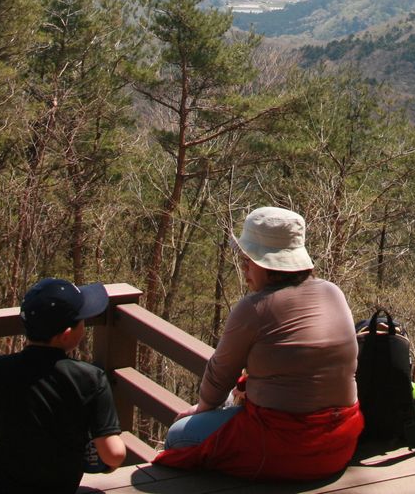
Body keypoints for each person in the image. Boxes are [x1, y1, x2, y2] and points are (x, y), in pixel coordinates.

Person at [154, 206, 363, 481]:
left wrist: (202, 408)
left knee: (179, 436)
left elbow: (221, 373)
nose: (244, 269)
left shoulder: (254, 307)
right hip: (338, 443)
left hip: (285, 449)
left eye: (247, 260)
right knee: (232, 402)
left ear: (266, 264)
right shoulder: (332, 292)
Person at [0, 278, 126, 494]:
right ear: (67, 335)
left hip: (0, 484)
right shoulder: (91, 379)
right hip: (58, 487)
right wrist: (107, 464)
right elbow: (113, 453)